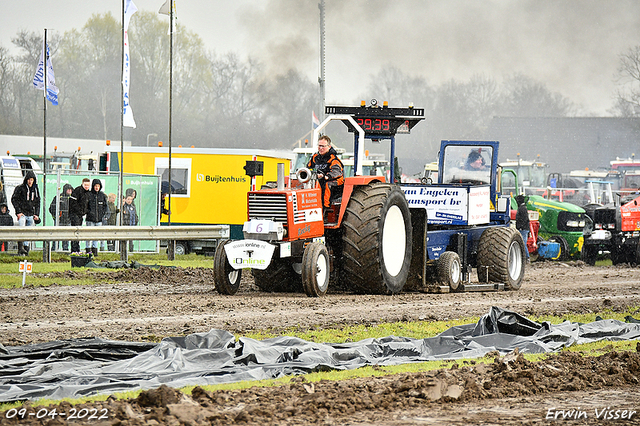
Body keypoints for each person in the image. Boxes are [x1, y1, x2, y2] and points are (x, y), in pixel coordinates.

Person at [306, 135, 345, 210]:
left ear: (329, 146)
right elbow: (308, 168)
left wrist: (326, 176)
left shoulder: (333, 159)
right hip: (318, 180)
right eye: (319, 146)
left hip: (336, 183)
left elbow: (337, 172)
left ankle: (325, 207)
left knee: (326, 184)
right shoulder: (315, 157)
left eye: (323, 146)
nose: (321, 148)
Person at [11, 170, 40, 256]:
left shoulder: (35, 189)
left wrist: (37, 214)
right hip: (22, 213)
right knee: (21, 227)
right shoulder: (20, 188)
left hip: (31, 214)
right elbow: (14, 199)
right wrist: (18, 212)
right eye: (29, 179)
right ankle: (20, 248)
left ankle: (26, 249)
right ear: (26, 180)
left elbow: (38, 202)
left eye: (32, 180)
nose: (30, 181)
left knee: (29, 231)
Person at [85, 179, 110, 257]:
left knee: (96, 236)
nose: (97, 187)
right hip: (90, 219)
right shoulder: (89, 194)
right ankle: (88, 250)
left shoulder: (102, 195)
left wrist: (102, 215)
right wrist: (89, 212)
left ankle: (95, 251)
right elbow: (85, 206)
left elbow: (105, 207)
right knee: (89, 235)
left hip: (99, 220)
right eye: (95, 186)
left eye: (98, 186)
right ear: (93, 186)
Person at [49, 183, 74, 251]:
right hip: (59, 221)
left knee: (66, 237)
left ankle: (65, 250)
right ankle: (54, 249)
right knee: (56, 236)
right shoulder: (58, 197)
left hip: (68, 221)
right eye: (68, 190)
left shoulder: (72, 198)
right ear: (65, 190)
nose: (69, 191)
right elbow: (51, 208)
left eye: (70, 190)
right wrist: (56, 217)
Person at [69, 178, 91, 254]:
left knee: (78, 233)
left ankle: (77, 250)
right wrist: (80, 211)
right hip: (74, 214)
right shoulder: (77, 191)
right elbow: (73, 203)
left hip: (80, 215)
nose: (86, 187)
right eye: (85, 185)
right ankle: (74, 250)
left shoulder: (88, 193)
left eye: (88, 185)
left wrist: (85, 212)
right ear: (82, 184)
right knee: (75, 232)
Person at [515, 195, 530, 261]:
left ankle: (526, 257)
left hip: (523, 229)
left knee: (523, 244)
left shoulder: (521, 209)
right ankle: (525, 257)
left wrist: (520, 227)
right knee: (523, 243)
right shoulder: (524, 208)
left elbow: (524, 219)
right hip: (524, 228)